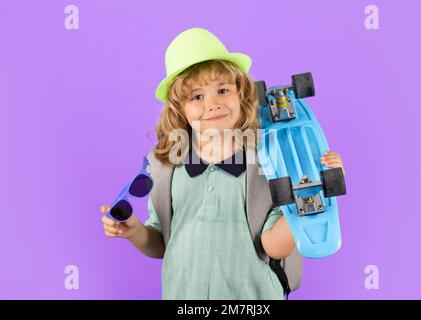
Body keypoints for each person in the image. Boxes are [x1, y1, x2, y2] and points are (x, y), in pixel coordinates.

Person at [100, 27, 345, 299]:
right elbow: (162, 243)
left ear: (242, 94)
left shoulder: (267, 163)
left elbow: (274, 247)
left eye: (223, 89)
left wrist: (312, 193)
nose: (213, 104)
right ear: (179, 109)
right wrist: (134, 231)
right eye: (197, 97)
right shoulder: (165, 168)